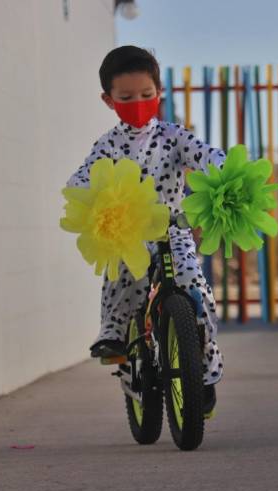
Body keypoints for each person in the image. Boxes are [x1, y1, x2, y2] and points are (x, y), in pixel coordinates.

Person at [66, 46, 223, 414]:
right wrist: (85, 193)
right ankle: (115, 335)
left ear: (159, 92)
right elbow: (82, 177)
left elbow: (204, 154)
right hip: (129, 235)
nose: (138, 103)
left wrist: (222, 169)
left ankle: (204, 374)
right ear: (109, 100)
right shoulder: (107, 145)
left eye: (146, 95)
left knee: (195, 290)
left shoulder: (173, 136)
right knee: (122, 278)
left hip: (173, 231)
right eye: (126, 98)